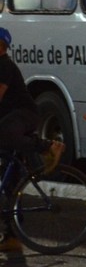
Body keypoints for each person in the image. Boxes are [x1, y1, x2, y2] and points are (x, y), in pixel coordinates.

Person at [0, 27, 65, 252]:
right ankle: (11, 237)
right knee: (9, 185)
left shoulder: (4, 66)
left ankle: (49, 147)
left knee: (5, 133)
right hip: (11, 120)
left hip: (24, 116)